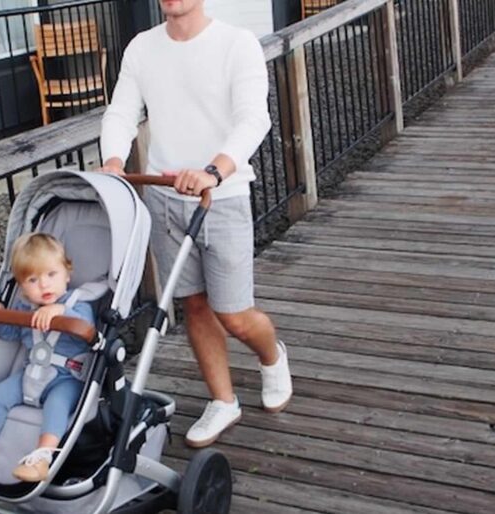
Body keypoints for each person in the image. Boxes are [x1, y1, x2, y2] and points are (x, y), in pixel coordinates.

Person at [98, 0, 293, 448]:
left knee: (234, 313)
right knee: (194, 306)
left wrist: (214, 169)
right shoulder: (142, 49)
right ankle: (223, 401)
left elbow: (253, 118)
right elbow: (122, 112)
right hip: (164, 197)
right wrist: (113, 161)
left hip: (219, 196)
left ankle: (271, 355)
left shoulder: (235, 44)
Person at [0, 233, 94, 482]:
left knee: (57, 405)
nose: (44, 285)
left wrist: (62, 311)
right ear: (21, 286)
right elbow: (10, 334)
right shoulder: (23, 307)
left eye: (51, 275)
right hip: (31, 375)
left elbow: (87, 331)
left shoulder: (78, 303)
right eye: (33, 279)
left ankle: (42, 457)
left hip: (68, 378)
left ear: (67, 274)